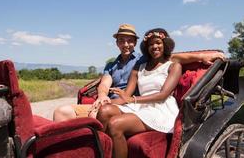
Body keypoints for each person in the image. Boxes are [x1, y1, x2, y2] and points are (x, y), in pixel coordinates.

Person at [53, 24, 224, 121]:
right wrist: (101, 96)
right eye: (122, 41)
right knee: (61, 112)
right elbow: (105, 82)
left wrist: (201, 56)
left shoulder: (141, 60)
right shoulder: (112, 65)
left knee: (97, 115)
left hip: (128, 104)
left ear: (135, 43)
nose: (125, 44)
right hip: (108, 102)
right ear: (117, 44)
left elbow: (170, 56)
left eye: (129, 41)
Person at [97, 28, 181, 158]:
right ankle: (101, 153)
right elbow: (127, 96)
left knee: (115, 124)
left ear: (165, 45)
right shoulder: (139, 67)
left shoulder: (173, 66)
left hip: (160, 108)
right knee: (104, 111)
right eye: (150, 44)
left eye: (158, 43)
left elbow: (163, 95)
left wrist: (134, 100)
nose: (154, 46)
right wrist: (105, 101)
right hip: (140, 105)